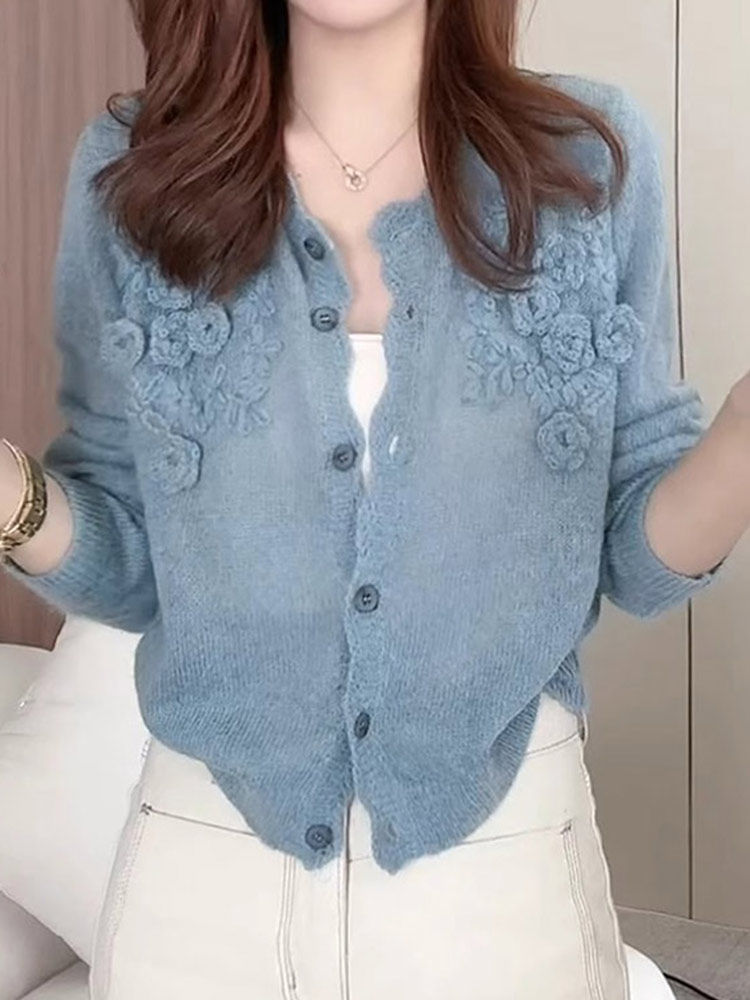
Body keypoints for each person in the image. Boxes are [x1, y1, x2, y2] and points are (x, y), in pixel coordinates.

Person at [2, 0, 749, 996]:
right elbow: (131, 566)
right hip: (196, 891)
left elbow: (635, 555)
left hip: (503, 887)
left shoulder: (585, 162)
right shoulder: (136, 170)